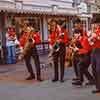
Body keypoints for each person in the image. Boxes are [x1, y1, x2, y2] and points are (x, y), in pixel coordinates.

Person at [90, 16, 100, 93]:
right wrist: (91, 39)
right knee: (93, 69)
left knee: (98, 69)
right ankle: (97, 87)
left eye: (95, 23)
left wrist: (96, 37)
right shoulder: (93, 31)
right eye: (93, 24)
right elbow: (91, 42)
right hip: (94, 51)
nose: (94, 25)